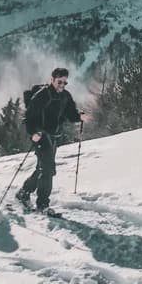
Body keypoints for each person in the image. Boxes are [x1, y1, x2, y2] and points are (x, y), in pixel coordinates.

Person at [15, 67, 83, 214]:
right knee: (48, 169)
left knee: (42, 168)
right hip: (40, 135)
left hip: (54, 136)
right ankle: (42, 205)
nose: (62, 86)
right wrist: (33, 133)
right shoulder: (42, 95)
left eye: (65, 83)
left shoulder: (65, 96)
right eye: (60, 82)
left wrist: (79, 116)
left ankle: (24, 192)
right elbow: (29, 117)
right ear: (52, 80)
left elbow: (70, 114)